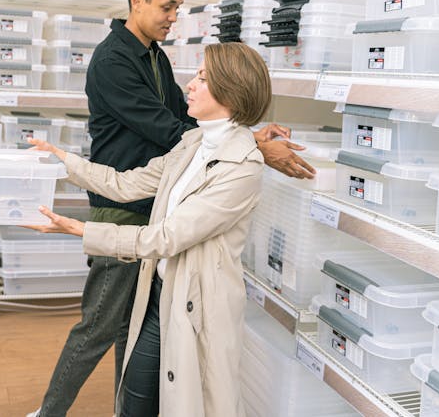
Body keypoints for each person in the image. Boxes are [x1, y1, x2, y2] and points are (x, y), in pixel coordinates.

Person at [28, 0, 314, 417]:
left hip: (160, 206)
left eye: (179, 7)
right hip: (125, 207)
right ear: (137, 1)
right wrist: (252, 145)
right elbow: (173, 133)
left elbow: (195, 130)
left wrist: (246, 137)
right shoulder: (112, 62)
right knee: (98, 326)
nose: (174, 18)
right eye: (167, 7)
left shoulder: (155, 58)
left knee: (130, 326)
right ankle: (49, 412)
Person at [27, 41, 273, 416]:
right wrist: (63, 161)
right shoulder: (193, 143)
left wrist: (81, 230)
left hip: (196, 308)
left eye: (203, 78)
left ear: (230, 91)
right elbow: (128, 185)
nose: (190, 85)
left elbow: (167, 237)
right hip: (161, 293)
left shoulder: (242, 167)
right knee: (136, 399)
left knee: (185, 403)